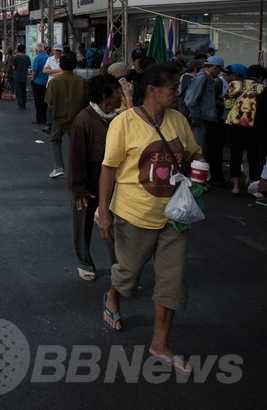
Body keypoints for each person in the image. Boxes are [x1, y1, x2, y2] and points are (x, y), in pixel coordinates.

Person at [97, 63, 203, 371]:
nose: (177, 93)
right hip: (133, 215)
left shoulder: (179, 121)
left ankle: (160, 344)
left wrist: (200, 167)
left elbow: (194, 152)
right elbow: (108, 169)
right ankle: (114, 294)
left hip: (175, 216)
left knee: (171, 282)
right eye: (172, 88)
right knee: (128, 276)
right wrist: (104, 213)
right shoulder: (124, 123)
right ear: (152, 91)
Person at [67, 76, 121, 282]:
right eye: (117, 91)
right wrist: (79, 188)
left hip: (112, 183)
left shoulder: (118, 118)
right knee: (83, 225)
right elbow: (76, 157)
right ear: (105, 97)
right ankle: (84, 262)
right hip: (87, 183)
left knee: (114, 226)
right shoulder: (84, 119)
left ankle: (120, 269)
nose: (120, 95)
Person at [46, 52, 87, 179]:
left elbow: (50, 103)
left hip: (59, 118)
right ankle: (77, 169)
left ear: (61, 66)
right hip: (78, 118)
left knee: (55, 140)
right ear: (75, 66)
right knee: (76, 143)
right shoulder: (83, 81)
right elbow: (88, 101)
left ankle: (58, 167)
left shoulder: (54, 82)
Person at [224, 64, 263, 195]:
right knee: (253, 155)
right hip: (253, 126)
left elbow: (227, 104)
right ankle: (252, 184)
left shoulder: (235, 84)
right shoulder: (262, 88)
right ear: (261, 77)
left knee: (235, 154)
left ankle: (235, 186)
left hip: (234, 124)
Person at [182, 56, 223, 152]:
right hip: (199, 120)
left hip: (203, 118)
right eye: (219, 69)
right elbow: (191, 100)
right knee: (198, 148)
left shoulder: (207, 78)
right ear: (214, 67)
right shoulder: (202, 78)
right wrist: (195, 116)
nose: (219, 72)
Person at [31, 44, 51, 130]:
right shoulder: (48, 57)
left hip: (38, 82)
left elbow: (34, 71)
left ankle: (39, 118)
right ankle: (46, 118)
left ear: (37, 50)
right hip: (47, 82)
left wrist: (33, 79)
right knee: (46, 101)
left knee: (38, 101)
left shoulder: (37, 58)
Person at [11, 44, 32, 111]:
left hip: (17, 76)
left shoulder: (15, 58)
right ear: (24, 50)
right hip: (24, 76)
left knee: (18, 91)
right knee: (23, 91)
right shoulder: (27, 57)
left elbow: (14, 67)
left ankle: (20, 105)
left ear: (17, 49)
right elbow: (29, 66)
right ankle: (24, 104)